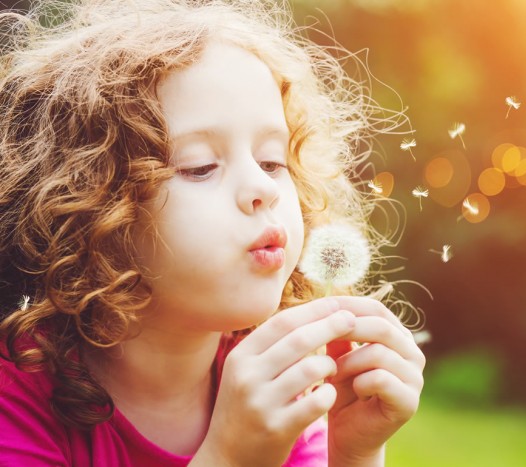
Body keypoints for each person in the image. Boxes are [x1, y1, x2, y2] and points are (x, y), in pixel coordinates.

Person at [0, 0, 425, 465]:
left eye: (272, 161)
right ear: (89, 208)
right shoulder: (15, 397)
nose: (263, 187)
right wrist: (230, 455)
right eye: (200, 167)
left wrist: (356, 450)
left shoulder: (279, 388)